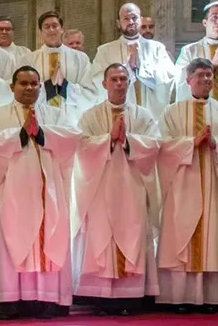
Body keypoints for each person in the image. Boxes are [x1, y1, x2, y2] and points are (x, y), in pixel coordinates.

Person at [0, 66, 80, 318]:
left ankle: (45, 299)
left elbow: (72, 137)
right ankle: (6, 299)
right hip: (10, 191)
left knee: (46, 239)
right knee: (7, 241)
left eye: (34, 83)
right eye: (23, 83)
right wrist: (21, 134)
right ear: (12, 87)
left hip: (48, 191)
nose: (29, 88)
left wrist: (42, 133)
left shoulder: (54, 114)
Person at [157, 58, 218, 312]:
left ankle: (211, 297)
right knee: (181, 237)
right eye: (200, 75)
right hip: (183, 185)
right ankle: (181, 298)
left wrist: (217, 143)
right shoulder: (172, 112)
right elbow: (161, 145)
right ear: (188, 80)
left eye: (209, 75)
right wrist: (191, 143)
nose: (206, 80)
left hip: (215, 186)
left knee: (214, 237)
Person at [73, 63, 160, 316]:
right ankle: (100, 297)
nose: (120, 84)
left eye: (124, 79)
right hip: (101, 187)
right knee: (100, 234)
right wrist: (108, 139)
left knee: (131, 232)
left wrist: (128, 141)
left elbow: (155, 145)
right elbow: (82, 147)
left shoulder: (143, 115)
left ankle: (130, 296)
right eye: (114, 79)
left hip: (132, 185)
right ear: (104, 84)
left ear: (130, 83)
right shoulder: (90, 116)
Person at [91, 3, 175, 120]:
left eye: (134, 18)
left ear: (140, 20)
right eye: (126, 18)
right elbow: (97, 80)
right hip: (118, 115)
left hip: (150, 115)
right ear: (118, 23)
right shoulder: (105, 50)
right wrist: (128, 69)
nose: (131, 22)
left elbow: (168, 77)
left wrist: (139, 69)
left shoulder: (157, 48)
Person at [23, 12, 96, 112]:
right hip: (40, 118)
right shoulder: (29, 59)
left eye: (55, 26)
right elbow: (23, 93)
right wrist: (49, 86)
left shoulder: (80, 58)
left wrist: (65, 86)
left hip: (71, 120)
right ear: (41, 32)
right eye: (47, 27)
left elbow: (91, 94)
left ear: (62, 29)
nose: (51, 30)